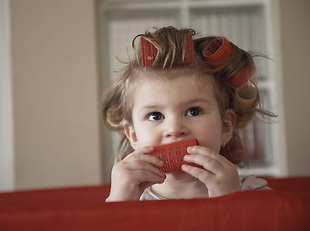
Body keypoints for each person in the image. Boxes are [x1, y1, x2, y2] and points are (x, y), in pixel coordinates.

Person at [102, 26, 273, 202]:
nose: (175, 129)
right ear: (133, 135)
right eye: (155, 116)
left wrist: (230, 201)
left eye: (193, 111)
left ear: (225, 127)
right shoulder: (130, 198)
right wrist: (119, 204)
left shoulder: (251, 193)